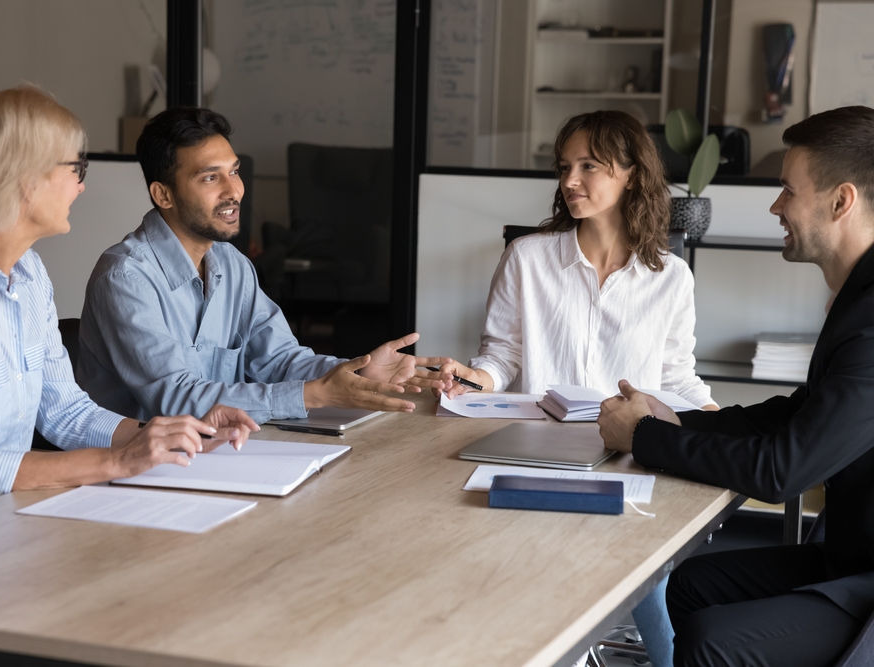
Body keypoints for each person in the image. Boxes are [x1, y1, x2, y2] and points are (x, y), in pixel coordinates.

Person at [0, 88, 258, 536]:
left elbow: (66, 413)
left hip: (2, 519)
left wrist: (170, 435)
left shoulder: (30, 274)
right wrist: (117, 460)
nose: (82, 184)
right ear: (24, 178)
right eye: (76, 167)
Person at [435, 110, 717, 666]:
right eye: (565, 166)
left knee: (647, 573)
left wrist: (715, 417)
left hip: (631, 455)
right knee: (525, 575)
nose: (570, 180)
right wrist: (474, 380)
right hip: (539, 453)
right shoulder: (528, 258)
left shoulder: (671, 278)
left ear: (632, 173)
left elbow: (675, 374)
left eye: (589, 165)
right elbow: (502, 354)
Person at [597, 105, 874, 667]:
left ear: (840, 201)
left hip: (866, 580)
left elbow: (782, 471)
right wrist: (676, 422)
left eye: (787, 192)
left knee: (714, 643)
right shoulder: (857, 300)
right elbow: (795, 415)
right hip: (850, 555)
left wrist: (645, 437)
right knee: (691, 585)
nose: (775, 207)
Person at [77, 107, 447, 424]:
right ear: (164, 194)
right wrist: (312, 396)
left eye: (234, 171)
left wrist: (359, 371)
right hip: (136, 472)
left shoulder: (231, 264)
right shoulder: (125, 277)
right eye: (210, 177)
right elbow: (176, 399)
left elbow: (280, 360)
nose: (233, 190)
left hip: (224, 452)